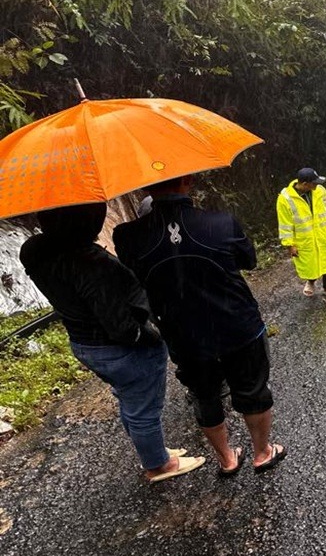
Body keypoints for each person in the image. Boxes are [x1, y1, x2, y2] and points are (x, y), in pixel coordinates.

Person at [19, 202, 205, 483]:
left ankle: (153, 450)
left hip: (84, 343)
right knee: (143, 408)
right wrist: (152, 337)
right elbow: (120, 327)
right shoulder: (91, 264)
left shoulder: (34, 251)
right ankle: (158, 465)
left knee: (130, 400)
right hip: (119, 348)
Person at [114, 174, 284, 474]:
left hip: (183, 334)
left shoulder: (127, 235)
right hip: (237, 324)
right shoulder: (221, 222)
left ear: (143, 187)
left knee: (205, 396)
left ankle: (227, 460)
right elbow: (248, 260)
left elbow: (134, 276)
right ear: (188, 181)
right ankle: (262, 452)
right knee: (253, 389)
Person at [276, 167, 326, 297]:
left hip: (323, 234)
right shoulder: (285, 199)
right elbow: (285, 224)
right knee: (310, 264)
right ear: (304, 184)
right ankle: (311, 282)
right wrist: (289, 244)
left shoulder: (320, 191)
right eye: (314, 183)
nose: (317, 185)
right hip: (305, 239)